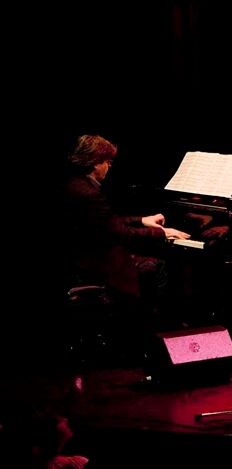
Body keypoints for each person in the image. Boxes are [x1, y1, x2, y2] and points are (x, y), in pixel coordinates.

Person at [65, 134, 192, 343]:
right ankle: (153, 332)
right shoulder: (89, 193)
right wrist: (162, 232)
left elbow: (106, 221)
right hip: (93, 266)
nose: (109, 167)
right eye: (107, 162)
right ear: (95, 162)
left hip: (79, 261)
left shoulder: (73, 184)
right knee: (159, 267)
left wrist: (142, 220)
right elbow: (120, 233)